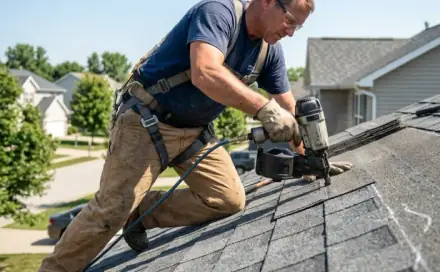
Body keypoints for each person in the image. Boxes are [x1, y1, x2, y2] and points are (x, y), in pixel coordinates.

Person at [39, 0, 353, 270]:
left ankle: (141, 214)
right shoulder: (219, 13)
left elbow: (288, 108)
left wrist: (311, 157)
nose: (289, 32)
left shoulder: (268, 53)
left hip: (194, 133)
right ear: (268, 1)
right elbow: (205, 71)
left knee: (227, 199)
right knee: (109, 211)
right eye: (289, 21)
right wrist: (263, 109)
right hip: (146, 122)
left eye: (296, 28)